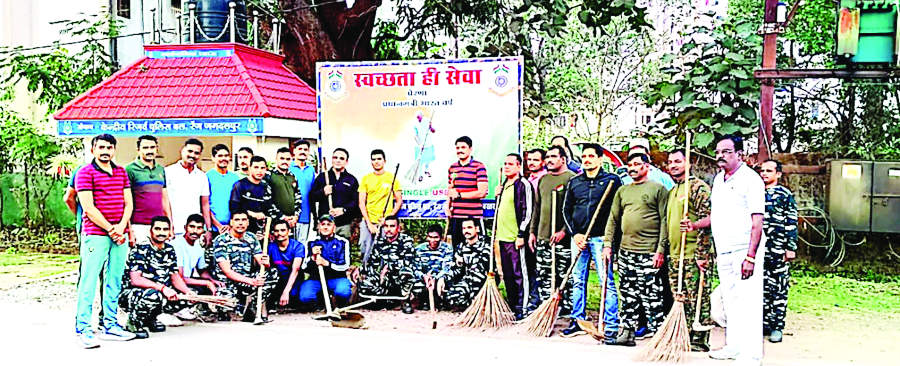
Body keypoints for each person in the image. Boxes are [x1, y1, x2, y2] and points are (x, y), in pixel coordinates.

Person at [706, 135, 766, 364]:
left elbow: (757, 221)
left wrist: (750, 256)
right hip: (724, 249)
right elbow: (716, 216)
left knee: (748, 301)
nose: (721, 155)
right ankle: (733, 347)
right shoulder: (719, 180)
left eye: (727, 151)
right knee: (730, 301)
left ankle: (751, 356)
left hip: (744, 250)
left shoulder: (751, 180)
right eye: (718, 151)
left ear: (739, 153)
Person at [73, 134, 136, 348]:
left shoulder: (121, 172)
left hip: (119, 234)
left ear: (114, 150)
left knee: (115, 280)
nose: (105, 151)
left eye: (109, 147)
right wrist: (111, 229)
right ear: (93, 149)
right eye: (101, 147)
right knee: (89, 281)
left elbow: (129, 203)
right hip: (96, 234)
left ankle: (110, 324)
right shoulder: (84, 173)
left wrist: (121, 228)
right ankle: (84, 328)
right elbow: (89, 208)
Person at [603, 153, 669, 346]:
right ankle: (627, 334)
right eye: (630, 165)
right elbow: (613, 218)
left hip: (649, 252)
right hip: (626, 252)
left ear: (646, 166)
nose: (633, 168)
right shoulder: (623, 191)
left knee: (652, 295)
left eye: (637, 164)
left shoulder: (658, 189)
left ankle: (659, 336)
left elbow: (665, 220)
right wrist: (608, 244)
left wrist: (660, 250)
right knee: (628, 294)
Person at [560, 143, 621, 338]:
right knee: (578, 280)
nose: (586, 160)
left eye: (591, 156)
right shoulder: (575, 182)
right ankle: (578, 320)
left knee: (606, 280)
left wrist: (611, 239)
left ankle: (610, 323)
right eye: (584, 156)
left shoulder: (612, 181)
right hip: (579, 238)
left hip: (601, 238)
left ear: (600, 159)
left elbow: (617, 212)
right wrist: (575, 234)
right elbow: (566, 210)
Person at [666, 149, 714, 351]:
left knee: (698, 298)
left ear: (688, 163)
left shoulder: (698, 188)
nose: (673, 165)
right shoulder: (673, 190)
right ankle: (682, 335)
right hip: (676, 255)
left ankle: (699, 339)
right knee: (680, 299)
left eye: (678, 161)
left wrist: (703, 254)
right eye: (670, 162)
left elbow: (711, 219)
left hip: (694, 255)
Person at [119, 216, 195, 339]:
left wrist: (188, 292)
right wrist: (163, 288)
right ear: (151, 231)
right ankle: (133, 322)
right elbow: (136, 279)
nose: (161, 232)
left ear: (169, 231)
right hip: (134, 294)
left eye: (165, 229)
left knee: (186, 296)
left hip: (159, 291)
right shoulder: (141, 248)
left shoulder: (170, 249)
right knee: (154, 296)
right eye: (157, 229)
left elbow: (175, 276)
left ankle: (150, 319)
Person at [526, 145, 575, 316]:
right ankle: (547, 306)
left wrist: (563, 231)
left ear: (563, 159)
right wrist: (533, 231)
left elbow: (574, 210)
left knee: (564, 274)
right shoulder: (543, 180)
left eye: (553, 156)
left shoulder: (572, 179)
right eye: (547, 157)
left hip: (562, 238)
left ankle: (566, 307)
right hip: (542, 236)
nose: (549, 160)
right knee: (544, 274)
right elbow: (537, 208)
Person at [209, 210, 278, 322]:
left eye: (243, 220)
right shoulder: (221, 240)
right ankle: (228, 309)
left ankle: (252, 306)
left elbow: (261, 261)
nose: (240, 223)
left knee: (272, 273)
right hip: (227, 283)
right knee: (226, 306)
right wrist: (251, 281)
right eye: (237, 220)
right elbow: (227, 271)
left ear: (248, 223)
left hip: (245, 280)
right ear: (231, 222)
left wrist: (266, 262)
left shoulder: (251, 237)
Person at [759, 159, 797, 343]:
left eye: (769, 170)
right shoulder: (756, 192)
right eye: (762, 170)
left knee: (779, 288)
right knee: (762, 287)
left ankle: (777, 326)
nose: (764, 173)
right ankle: (763, 324)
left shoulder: (784, 194)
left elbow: (791, 221)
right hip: (759, 250)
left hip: (778, 249)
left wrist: (790, 247)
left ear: (778, 174)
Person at [494, 153, 535, 319]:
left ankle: (522, 308)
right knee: (508, 275)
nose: (507, 167)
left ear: (519, 166)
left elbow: (528, 210)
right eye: (505, 164)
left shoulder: (523, 184)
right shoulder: (504, 185)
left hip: (515, 238)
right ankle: (512, 306)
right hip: (503, 237)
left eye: (510, 164)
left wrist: (521, 234)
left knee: (520, 274)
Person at [358, 215, 417, 312]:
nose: (388, 229)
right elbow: (372, 262)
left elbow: (409, 263)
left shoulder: (406, 241)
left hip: (398, 277)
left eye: (392, 226)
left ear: (398, 228)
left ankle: (405, 300)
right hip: (384, 278)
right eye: (386, 226)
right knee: (364, 281)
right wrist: (361, 270)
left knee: (407, 273)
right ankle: (384, 300)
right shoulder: (380, 242)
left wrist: (389, 267)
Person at [169, 214, 219, 321]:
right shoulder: (176, 245)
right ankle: (179, 310)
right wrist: (207, 283)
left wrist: (212, 281)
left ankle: (203, 311)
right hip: (175, 283)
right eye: (192, 227)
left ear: (203, 230)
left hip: (187, 281)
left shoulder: (198, 246)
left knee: (216, 288)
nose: (195, 231)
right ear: (185, 227)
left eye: (199, 228)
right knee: (198, 290)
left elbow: (202, 271)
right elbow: (180, 277)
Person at [358, 149, 402, 266]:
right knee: (365, 248)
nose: (376, 162)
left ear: (384, 161)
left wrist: (388, 219)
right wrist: (369, 224)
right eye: (374, 159)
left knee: (385, 249)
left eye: (379, 159)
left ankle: (383, 276)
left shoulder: (392, 178)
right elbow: (361, 203)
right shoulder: (366, 179)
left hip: (385, 222)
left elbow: (399, 201)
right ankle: (365, 274)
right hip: (369, 221)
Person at [125, 135, 172, 245]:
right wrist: (129, 230)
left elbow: (164, 199)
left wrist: (170, 224)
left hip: (159, 226)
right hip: (138, 225)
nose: (149, 151)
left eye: (152, 147)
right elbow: (125, 202)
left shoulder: (160, 170)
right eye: (145, 148)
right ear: (138, 150)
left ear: (157, 149)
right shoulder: (129, 169)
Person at [299, 215, 353, 308]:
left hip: (337, 278)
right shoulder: (311, 242)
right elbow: (303, 267)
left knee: (343, 292)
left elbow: (345, 265)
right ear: (318, 227)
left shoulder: (343, 242)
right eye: (323, 224)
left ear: (334, 227)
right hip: (316, 279)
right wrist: (313, 258)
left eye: (329, 224)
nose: (325, 227)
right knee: (305, 296)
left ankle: (339, 305)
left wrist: (327, 264)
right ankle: (320, 303)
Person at [165, 139, 212, 243]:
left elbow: (205, 204)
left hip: (196, 231)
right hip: (174, 229)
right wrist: (169, 226)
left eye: (196, 153)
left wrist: (208, 230)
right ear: (182, 151)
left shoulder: (202, 176)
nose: (192, 155)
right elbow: (165, 201)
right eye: (189, 151)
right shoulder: (168, 172)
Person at [446, 136, 489, 248]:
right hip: (456, 217)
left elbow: (482, 192)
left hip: (473, 217)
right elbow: (450, 190)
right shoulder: (452, 168)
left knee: (478, 249)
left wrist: (460, 195)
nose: (460, 150)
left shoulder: (479, 167)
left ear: (470, 149)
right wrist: (447, 206)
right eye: (457, 148)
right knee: (458, 250)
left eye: (463, 147)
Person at [310, 148, 360, 241]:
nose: (338, 160)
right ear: (332, 160)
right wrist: (323, 192)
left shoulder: (351, 180)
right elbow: (312, 197)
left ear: (346, 162)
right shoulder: (322, 177)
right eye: (335, 157)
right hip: (325, 224)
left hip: (344, 225)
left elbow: (356, 201)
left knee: (342, 252)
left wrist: (343, 210)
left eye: (341, 158)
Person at [443, 218, 491, 310]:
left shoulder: (486, 243)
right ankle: (471, 305)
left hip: (484, 280)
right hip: (467, 281)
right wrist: (443, 279)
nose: (466, 231)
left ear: (477, 229)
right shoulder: (461, 246)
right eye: (464, 228)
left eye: (469, 227)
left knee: (476, 277)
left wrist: (464, 260)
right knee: (450, 296)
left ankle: (478, 303)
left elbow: (481, 264)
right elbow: (456, 268)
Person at [229, 156, 282, 238]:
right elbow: (234, 208)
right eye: (256, 167)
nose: (259, 171)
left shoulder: (266, 187)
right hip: (243, 232)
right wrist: (252, 214)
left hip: (262, 233)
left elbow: (270, 208)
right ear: (250, 168)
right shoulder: (240, 185)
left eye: (262, 168)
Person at [411, 224, 454, 310]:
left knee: (448, 282)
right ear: (427, 237)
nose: (433, 240)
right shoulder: (419, 249)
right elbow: (415, 268)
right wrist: (424, 277)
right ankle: (424, 301)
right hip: (425, 279)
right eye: (430, 237)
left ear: (441, 238)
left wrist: (436, 278)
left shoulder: (447, 248)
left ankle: (441, 301)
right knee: (416, 287)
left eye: (436, 237)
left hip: (439, 280)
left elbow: (447, 268)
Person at [267, 219, 306, 310]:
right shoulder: (270, 246)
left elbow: (295, 270)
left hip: (294, 278)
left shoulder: (298, 246)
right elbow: (267, 268)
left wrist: (286, 292)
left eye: (283, 230)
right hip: (278, 278)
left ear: (289, 231)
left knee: (295, 296)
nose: (279, 233)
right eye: (276, 231)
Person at [206, 144, 241, 236]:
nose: (224, 158)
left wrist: (231, 224)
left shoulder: (235, 178)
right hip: (213, 228)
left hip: (232, 228)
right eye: (220, 156)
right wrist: (218, 225)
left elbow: (238, 204)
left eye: (226, 156)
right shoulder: (207, 177)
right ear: (213, 158)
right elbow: (204, 204)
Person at [269, 147, 303, 237]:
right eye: (282, 158)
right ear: (276, 159)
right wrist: (282, 217)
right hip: (275, 223)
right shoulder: (269, 176)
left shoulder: (292, 177)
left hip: (291, 223)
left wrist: (296, 216)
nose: (285, 161)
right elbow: (268, 200)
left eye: (288, 159)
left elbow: (298, 198)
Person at [289, 140, 316, 242]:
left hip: (306, 214)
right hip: (290, 215)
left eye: (305, 149)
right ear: (294, 151)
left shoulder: (311, 169)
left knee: (302, 244)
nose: (303, 152)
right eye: (300, 149)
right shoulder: (288, 168)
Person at [405, 111, 436, 182]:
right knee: (420, 161)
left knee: (429, 158)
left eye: (419, 117)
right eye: (417, 118)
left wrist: (431, 127)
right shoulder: (415, 124)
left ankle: (427, 170)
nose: (418, 119)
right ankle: (420, 175)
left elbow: (433, 131)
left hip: (428, 143)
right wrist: (420, 145)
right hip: (420, 145)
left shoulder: (428, 121)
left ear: (422, 116)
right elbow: (415, 136)